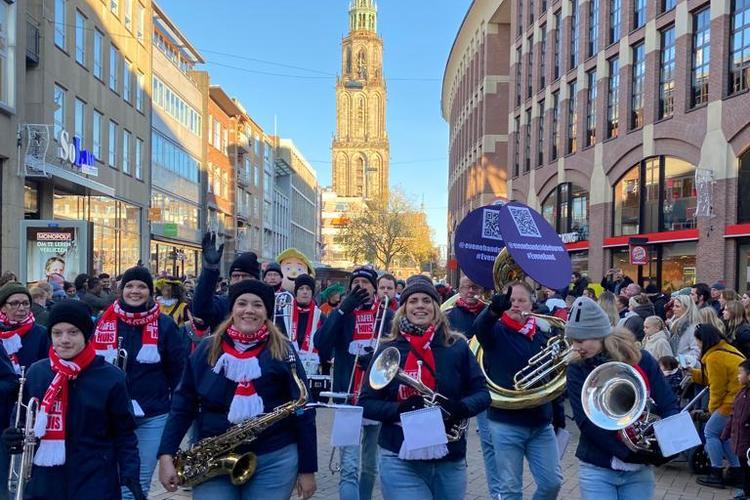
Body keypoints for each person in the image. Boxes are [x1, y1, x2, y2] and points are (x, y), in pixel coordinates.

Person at [157, 280, 317, 499]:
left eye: (257, 305)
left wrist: (308, 469)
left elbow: (304, 411)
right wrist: (166, 454)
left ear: (267, 312)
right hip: (212, 458)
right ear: (232, 309)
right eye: (241, 303)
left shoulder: (284, 351)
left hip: (274, 458)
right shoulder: (207, 349)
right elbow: (183, 404)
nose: (249, 310)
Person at [358, 275, 490, 499]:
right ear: (404, 308)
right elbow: (366, 402)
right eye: (413, 300)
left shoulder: (456, 346)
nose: (420, 305)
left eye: (427, 300)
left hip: (449, 457)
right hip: (398, 456)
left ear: (436, 308)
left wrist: (460, 408)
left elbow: (483, 394)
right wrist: (399, 410)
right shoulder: (389, 350)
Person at [1, 300, 144, 499]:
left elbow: (125, 433)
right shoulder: (37, 373)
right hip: (46, 481)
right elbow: (23, 420)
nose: (64, 339)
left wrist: (130, 473)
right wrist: (13, 437)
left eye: (73, 332)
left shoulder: (111, 377)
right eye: (57, 333)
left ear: (86, 334)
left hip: (94, 479)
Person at [565, 297, 680, 499]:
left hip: (639, 472)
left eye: (580, 340)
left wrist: (671, 444)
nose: (575, 347)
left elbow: (668, 403)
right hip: (598, 467)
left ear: (600, 335)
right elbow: (585, 422)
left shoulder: (641, 359)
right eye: (572, 341)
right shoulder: (577, 367)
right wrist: (630, 454)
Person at [92, 267, 185, 499]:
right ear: (121, 290)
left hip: (152, 415)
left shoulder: (165, 325)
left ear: (150, 292)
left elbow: (178, 372)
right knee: (106, 477)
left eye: (141, 286)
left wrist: (179, 411)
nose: (135, 291)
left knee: (136, 482)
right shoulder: (103, 321)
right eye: (130, 286)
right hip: (108, 415)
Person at [472, 281, 564, 500]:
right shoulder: (494, 331)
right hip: (506, 424)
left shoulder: (543, 332)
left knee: (552, 483)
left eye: (521, 300)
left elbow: (553, 376)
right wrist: (493, 310)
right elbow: (479, 327)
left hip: (541, 423)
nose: (515, 305)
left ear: (532, 304)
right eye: (511, 300)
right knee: (511, 489)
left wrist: (558, 415)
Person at [316, 266, 394, 500]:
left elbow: (398, 352)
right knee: (349, 466)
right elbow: (321, 343)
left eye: (366, 282)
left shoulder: (388, 316)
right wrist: (341, 311)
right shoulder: (342, 314)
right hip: (347, 396)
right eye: (356, 282)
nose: (360, 286)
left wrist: (379, 358)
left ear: (375, 288)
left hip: (377, 398)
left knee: (370, 466)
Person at [689, 323, 746, 488]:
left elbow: (716, 388)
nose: (697, 345)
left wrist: (711, 410)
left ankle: (716, 472)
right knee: (723, 436)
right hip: (739, 399)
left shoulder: (714, 357)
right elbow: (712, 378)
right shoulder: (725, 349)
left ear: (703, 340)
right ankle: (737, 471)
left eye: (698, 341)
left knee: (710, 432)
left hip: (731, 402)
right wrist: (692, 373)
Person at [193, 232, 261, 329]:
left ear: (256, 280)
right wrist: (210, 269)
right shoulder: (222, 303)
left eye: (245, 276)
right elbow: (201, 312)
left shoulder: (265, 304)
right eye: (236, 276)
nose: (240, 280)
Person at [286, 274, 327, 390]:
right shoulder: (286, 312)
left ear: (312, 292)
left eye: (308, 289)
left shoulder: (320, 316)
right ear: (296, 291)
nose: (305, 292)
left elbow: (325, 343)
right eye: (301, 289)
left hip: (310, 368)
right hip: (288, 366)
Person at [721, 359, 750, 499]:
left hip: (747, 439)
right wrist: (726, 432)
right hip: (740, 438)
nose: (738, 376)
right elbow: (733, 415)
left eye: (740, 373)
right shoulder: (740, 393)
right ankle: (746, 491)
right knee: (744, 467)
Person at [667, 295, 701, 367]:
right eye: (674, 306)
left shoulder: (693, 327)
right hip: (675, 367)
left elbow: (697, 351)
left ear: (687, 308)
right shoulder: (675, 324)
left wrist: (681, 361)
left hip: (686, 369)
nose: (673, 309)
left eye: (677, 306)